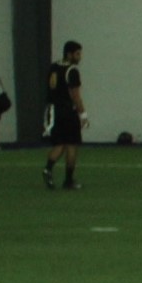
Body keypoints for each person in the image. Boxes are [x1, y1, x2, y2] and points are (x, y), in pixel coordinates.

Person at [44, 41, 86, 189]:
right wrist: (83, 114)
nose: (79, 57)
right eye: (77, 54)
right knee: (71, 145)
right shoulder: (72, 71)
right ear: (69, 54)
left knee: (59, 144)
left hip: (54, 110)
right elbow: (75, 95)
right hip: (67, 111)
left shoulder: (54, 67)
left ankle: (48, 168)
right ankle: (68, 180)